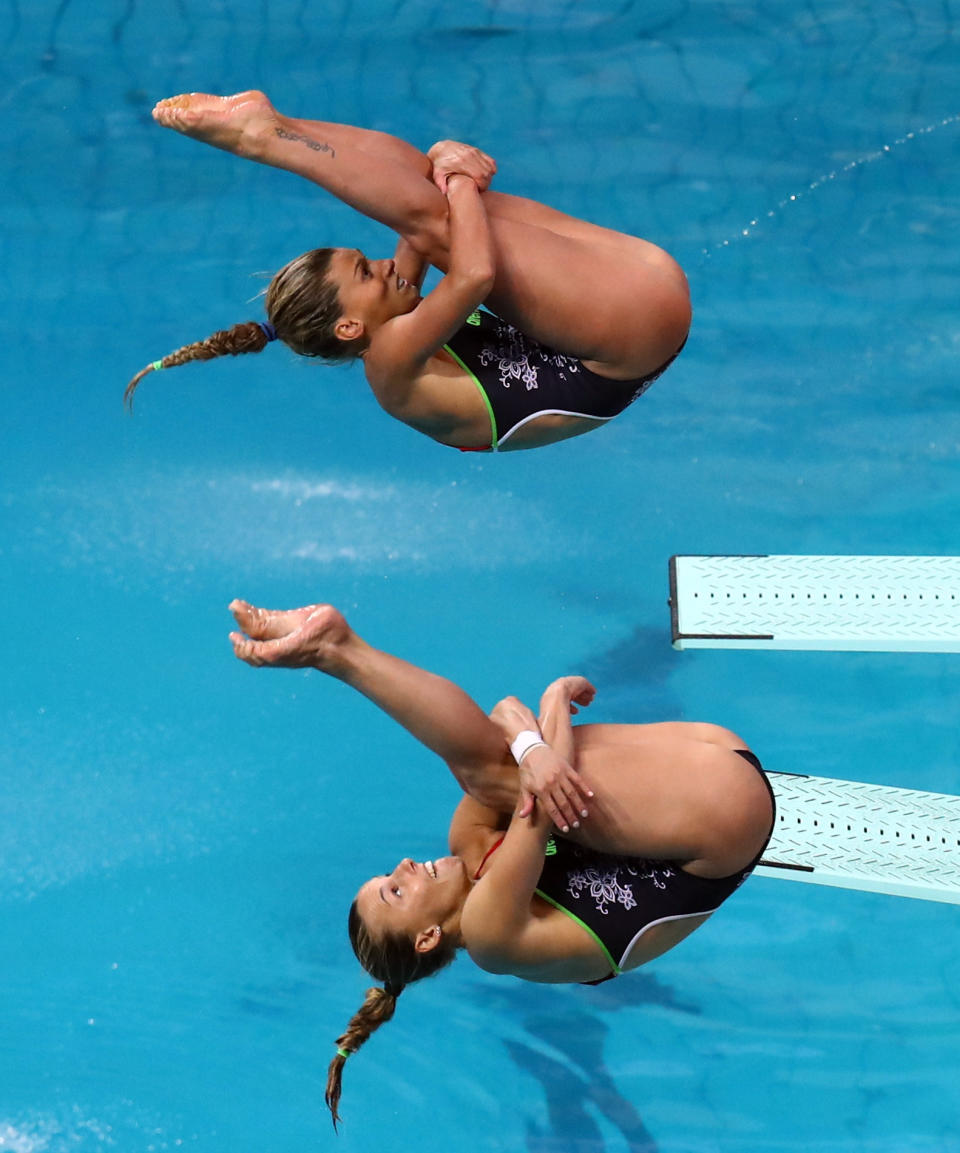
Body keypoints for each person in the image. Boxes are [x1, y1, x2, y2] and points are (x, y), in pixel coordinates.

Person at [227, 598, 775, 1125]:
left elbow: (525, 759)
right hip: (727, 819)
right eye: (395, 892)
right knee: (501, 770)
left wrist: (527, 738)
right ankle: (335, 647)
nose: (402, 866)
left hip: (714, 761)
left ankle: (336, 646)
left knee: (500, 767)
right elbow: (538, 788)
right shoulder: (490, 936)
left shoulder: (468, 839)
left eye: (387, 876)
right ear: (427, 938)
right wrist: (544, 715)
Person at [126, 90, 691, 452]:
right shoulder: (393, 360)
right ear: (349, 327)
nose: (383, 266)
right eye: (366, 274)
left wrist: (443, 166)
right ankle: (266, 141)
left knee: (430, 196)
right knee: (440, 217)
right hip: (630, 331)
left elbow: (415, 208)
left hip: (634, 312)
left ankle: (279, 122)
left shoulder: (389, 325)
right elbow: (472, 278)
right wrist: (461, 174)